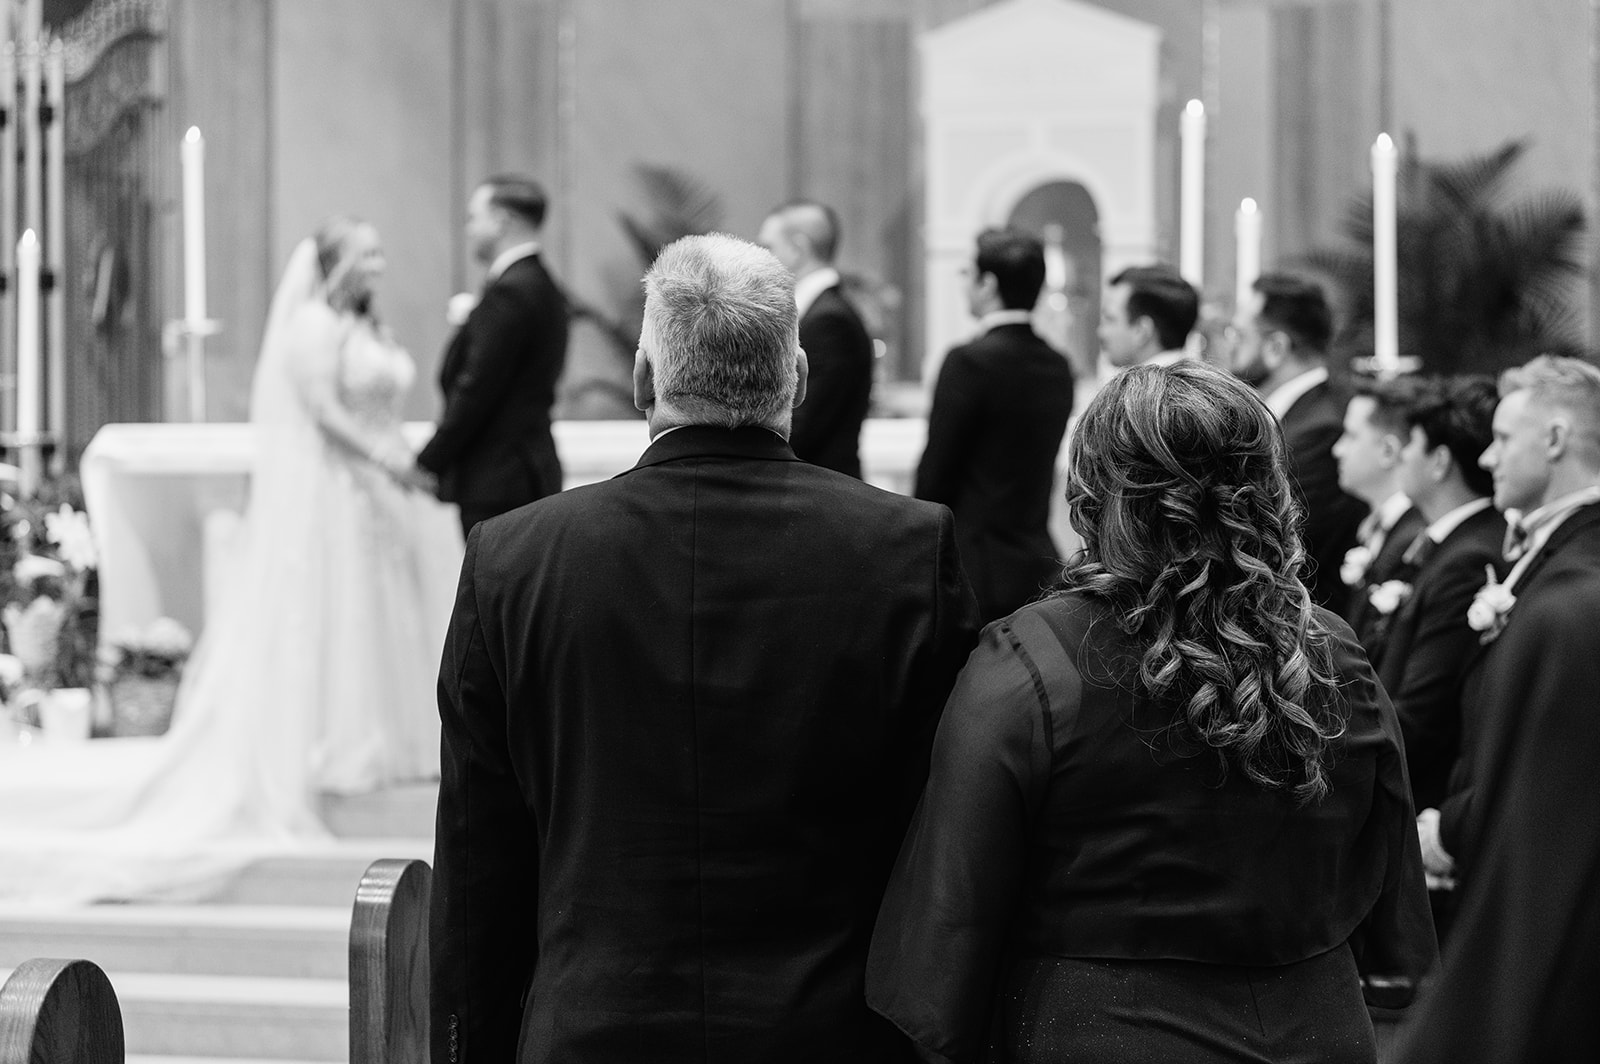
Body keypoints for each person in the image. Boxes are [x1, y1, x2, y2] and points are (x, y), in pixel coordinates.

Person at [429, 233, 980, 1064]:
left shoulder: (515, 558)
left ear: (645, 380)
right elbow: (944, 838)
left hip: (586, 1034)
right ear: (796, 375)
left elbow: (478, 865)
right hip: (828, 1034)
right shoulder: (904, 551)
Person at [867, 360, 1435, 1064]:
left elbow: (948, 920)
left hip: (1101, 1029)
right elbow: (1393, 900)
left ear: (1092, 494)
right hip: (1317, 1027)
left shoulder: (1029, 665)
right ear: (1267, 493)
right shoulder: (1334, 651)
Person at [0, 217, 463, 903]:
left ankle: (386, 745)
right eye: (369, 253)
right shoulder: (309, 327)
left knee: (380, 619)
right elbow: (326, 414)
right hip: (341, 491)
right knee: (333, 616)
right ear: (336, 262)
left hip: (377, 496)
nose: (381, 263)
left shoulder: (366, 324)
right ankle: (335, 745)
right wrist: (392, 462)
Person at [1397, 356, 1600, 1064]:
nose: (1485, 456)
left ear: (1553, 438)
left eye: (1503, 438)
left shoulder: (1581, 580)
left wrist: (1453, 826)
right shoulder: (1550, 553)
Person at [915, 227, 1074, 623]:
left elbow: (937, 473)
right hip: (1038, 564)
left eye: (968, 274)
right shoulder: (1057, 366)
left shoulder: (968, 362)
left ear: (988, 284)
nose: (965, 284)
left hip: (972, 566)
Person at [1373, 375, 1503, 817]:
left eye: (1412, 444)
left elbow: (1424, 715)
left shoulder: (1467, 559)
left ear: (1439, 461)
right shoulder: (1444, 545)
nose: (1402, 455)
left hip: (1420, 797)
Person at [417, 175, 569, 535]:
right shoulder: (544, 285)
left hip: (498, 478)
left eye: (474, 217)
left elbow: (476, 387)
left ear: (502, 220)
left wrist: (429, 461)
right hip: (529, 469)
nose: (469, 229)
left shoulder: (511, 293)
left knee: (492, 589)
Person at [1230, 273, 1368, 615]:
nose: (1229, 347)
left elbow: (1281, 538)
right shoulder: (1296, 415)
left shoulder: (1320, 429)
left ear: (1276, 347)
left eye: (1239, 335)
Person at [758, 200, 874, 477]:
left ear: (798, 248)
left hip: (825, 486)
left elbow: (804, 420)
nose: (761, 259)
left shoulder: (830, 321)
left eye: (768, 248)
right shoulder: (819, 311)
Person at [1332, 377, 1427, 656]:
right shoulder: (1378, 528)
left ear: (1388, 450)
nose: (1337, 450)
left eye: (1350, 436)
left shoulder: (1412, 540)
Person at [1098, 263, 1199, 369]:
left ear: (1141, 330)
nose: (1101, 332)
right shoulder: (1199, 382)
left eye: (1109, 319)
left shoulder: (1144, 384)